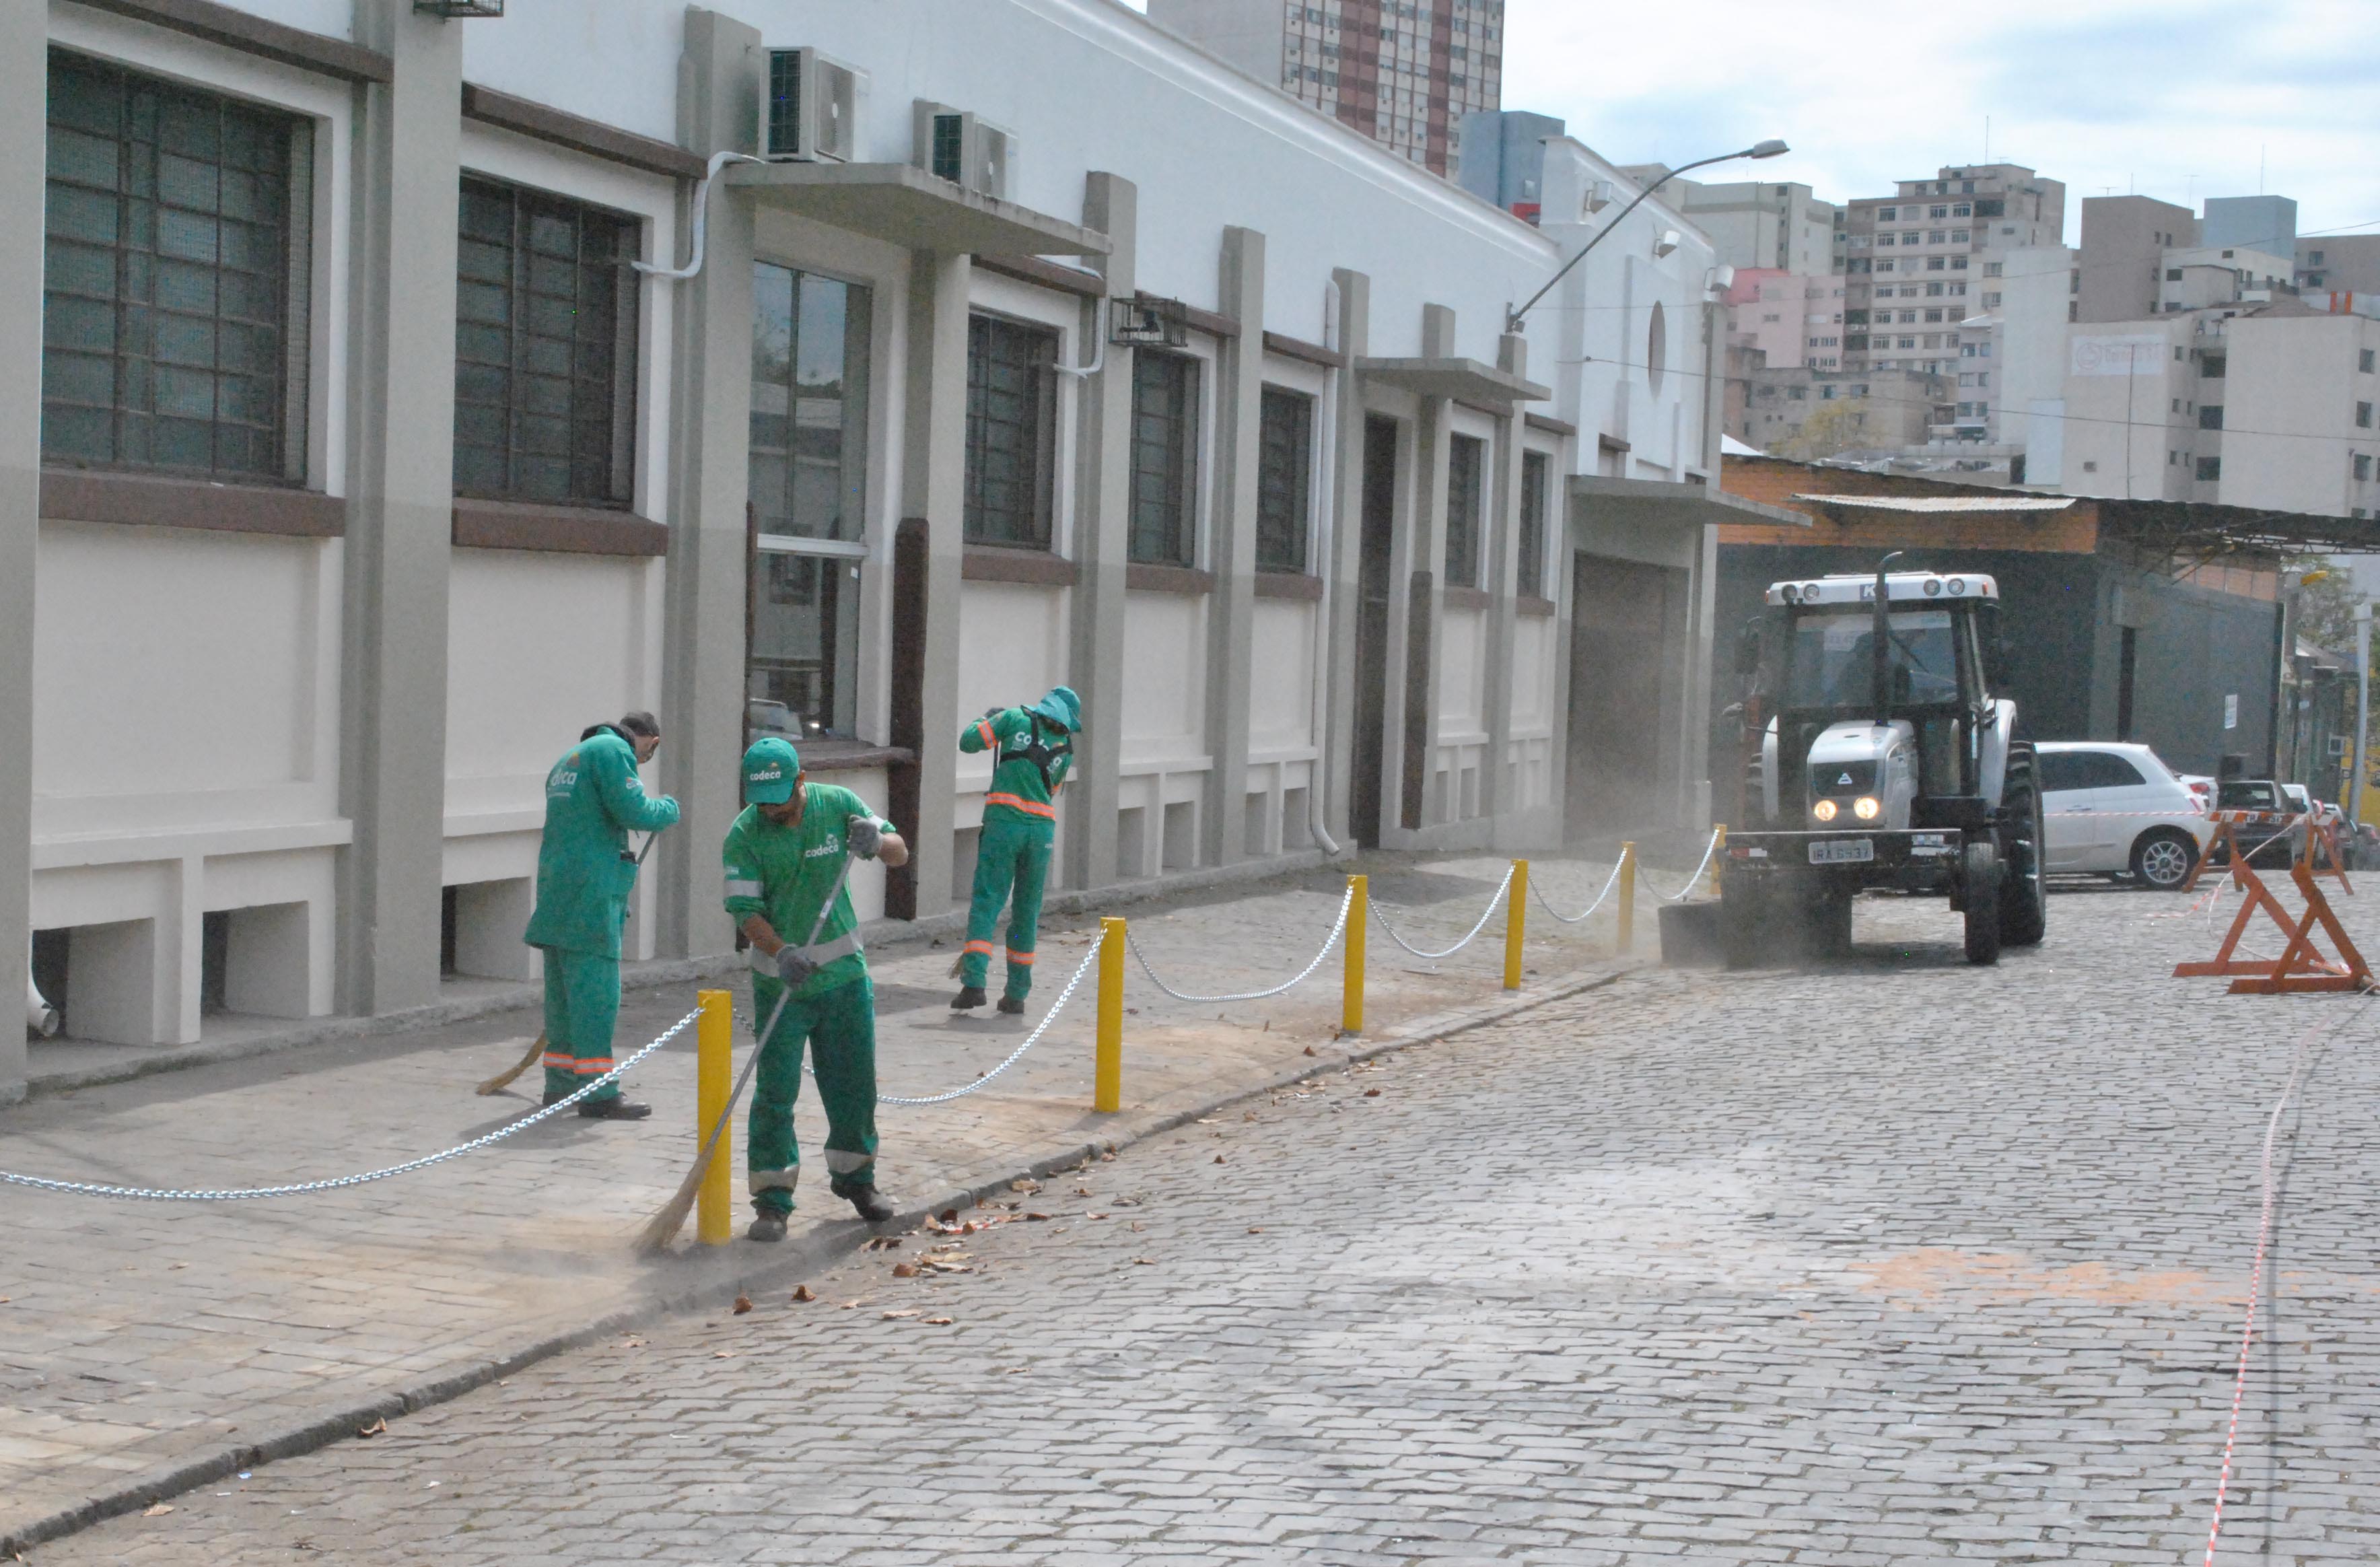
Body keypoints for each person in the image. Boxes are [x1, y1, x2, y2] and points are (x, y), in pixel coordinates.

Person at [723, 737, 908, 1241]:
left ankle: (857, 1181)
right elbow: (745, 912)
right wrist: (781, 951)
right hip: (781, 982)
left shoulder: (840, 807)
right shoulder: (744, 836)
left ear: (800, 782)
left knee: (853, 1087)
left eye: (778, 798)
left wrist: (877, 839)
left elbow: (899, 851)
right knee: (776, 1094)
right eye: (760, 800)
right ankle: (772, 1201)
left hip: (845, 980)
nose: (769, 809)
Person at [523, 711, 679, 1118]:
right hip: (590, 897)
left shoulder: (570, 759)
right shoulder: (613, 751)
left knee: (563, 999)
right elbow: (637, 811)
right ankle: (599, 1093)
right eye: (648, 754)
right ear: (650, 742)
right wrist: (667, 809)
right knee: (595, 998)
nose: (643, 761)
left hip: (558, 891)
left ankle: (559, 1087)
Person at [952, 686, 1080, 1014]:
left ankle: (974, 983)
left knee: (987, 901)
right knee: (1027, 910)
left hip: (1004, 825)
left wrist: (987, 720)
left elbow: (968, 742)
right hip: (1041, 832)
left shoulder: (1012, 718)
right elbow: (1051, 789)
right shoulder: (1066, 747)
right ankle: (1017, 994)